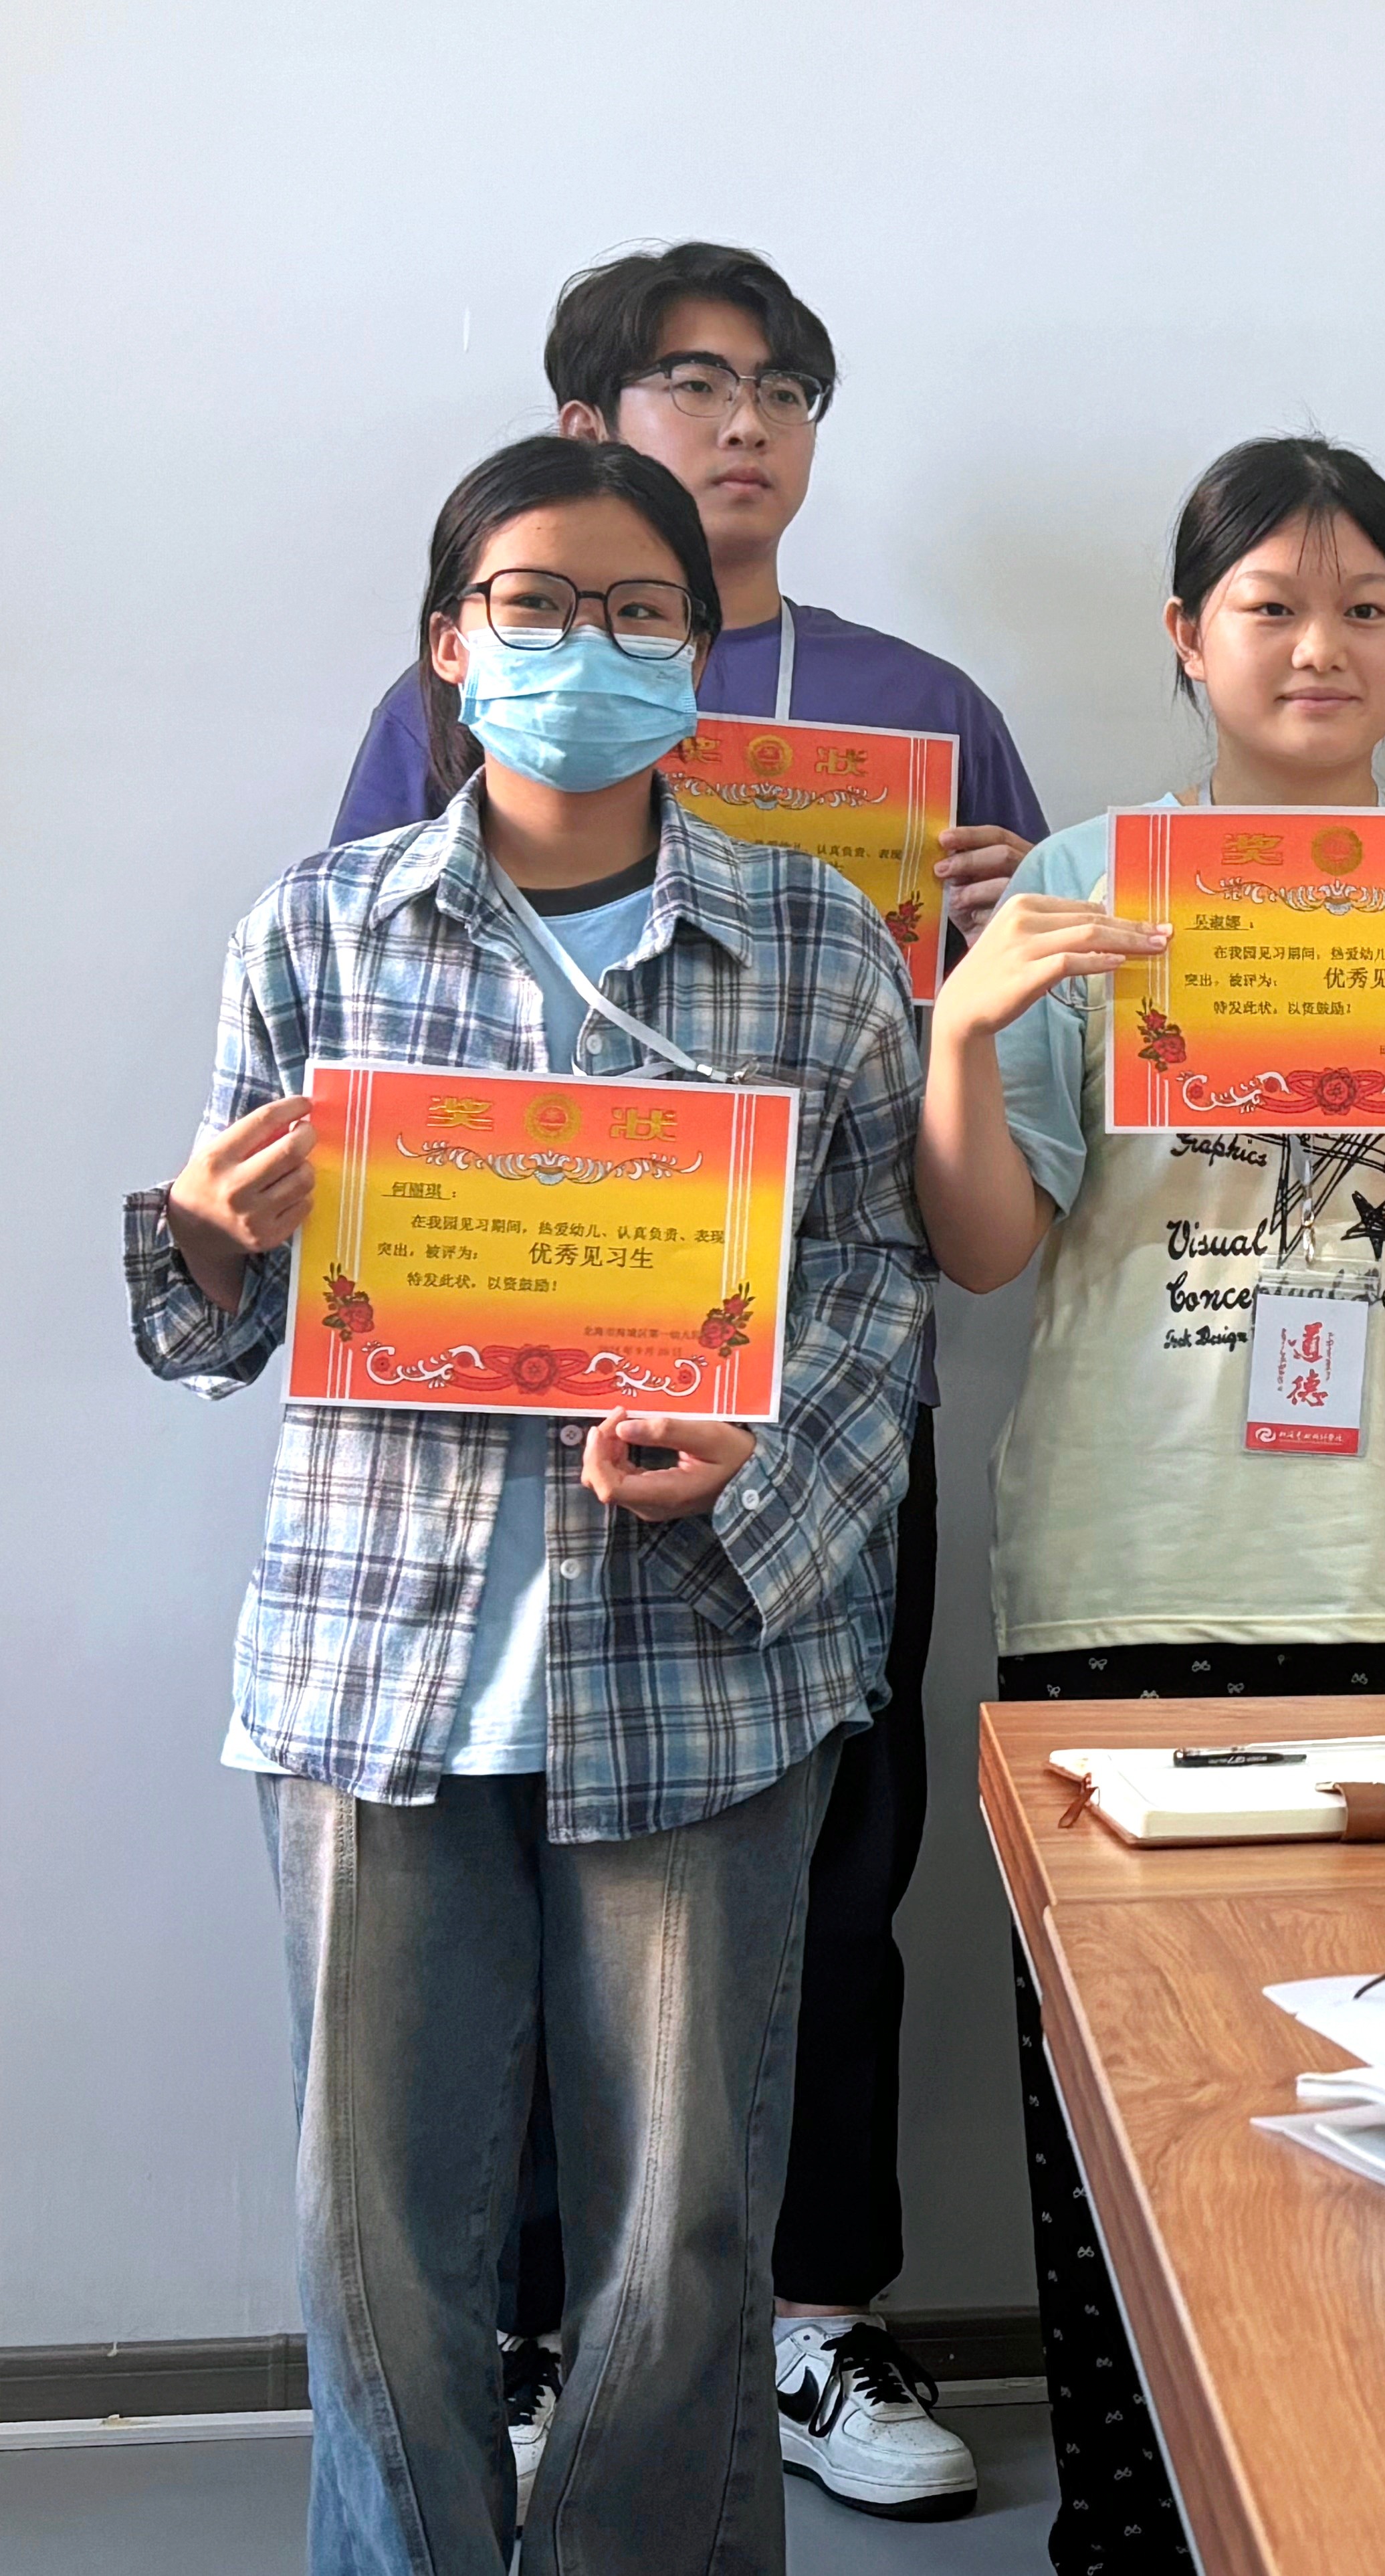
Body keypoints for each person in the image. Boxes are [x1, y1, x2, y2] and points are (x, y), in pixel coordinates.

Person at [129, 435, 925, 2575]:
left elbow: (876, 1284)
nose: (588, 644)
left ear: (699, 653)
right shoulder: (319, 926)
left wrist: (762, 1472)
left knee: (683, 2234)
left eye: (639, 611)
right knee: (377, 2235)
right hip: (376, 1660)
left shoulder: (812, 934)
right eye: (537, 605)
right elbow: (220, 1318)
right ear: (451, 644)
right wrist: (201, 1236)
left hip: (700, 1659)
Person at [326, 243, 1040, 2514]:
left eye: (786, 386)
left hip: (800, 1406)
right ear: (588, 424)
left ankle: (805, 2319)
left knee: (823, 1855)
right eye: (695, 380)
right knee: (508, 1881)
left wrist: (990, 927)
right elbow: (369, 1057)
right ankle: (551, 2340)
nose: (745, 422)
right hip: (495, 1415)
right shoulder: (447, 707)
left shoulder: (925, 700)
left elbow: (950, 1130)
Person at [919, 435, 1385, 2576]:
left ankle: (1349, 2519)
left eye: (1369, 608)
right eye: (1271, 606)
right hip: (1129, 1569)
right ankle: (1130, 2536)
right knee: (1122, 2112)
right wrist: (963, 1034)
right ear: (1185, 635)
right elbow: (990, 1247)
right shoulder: (1093, 876)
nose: (1323, 647)